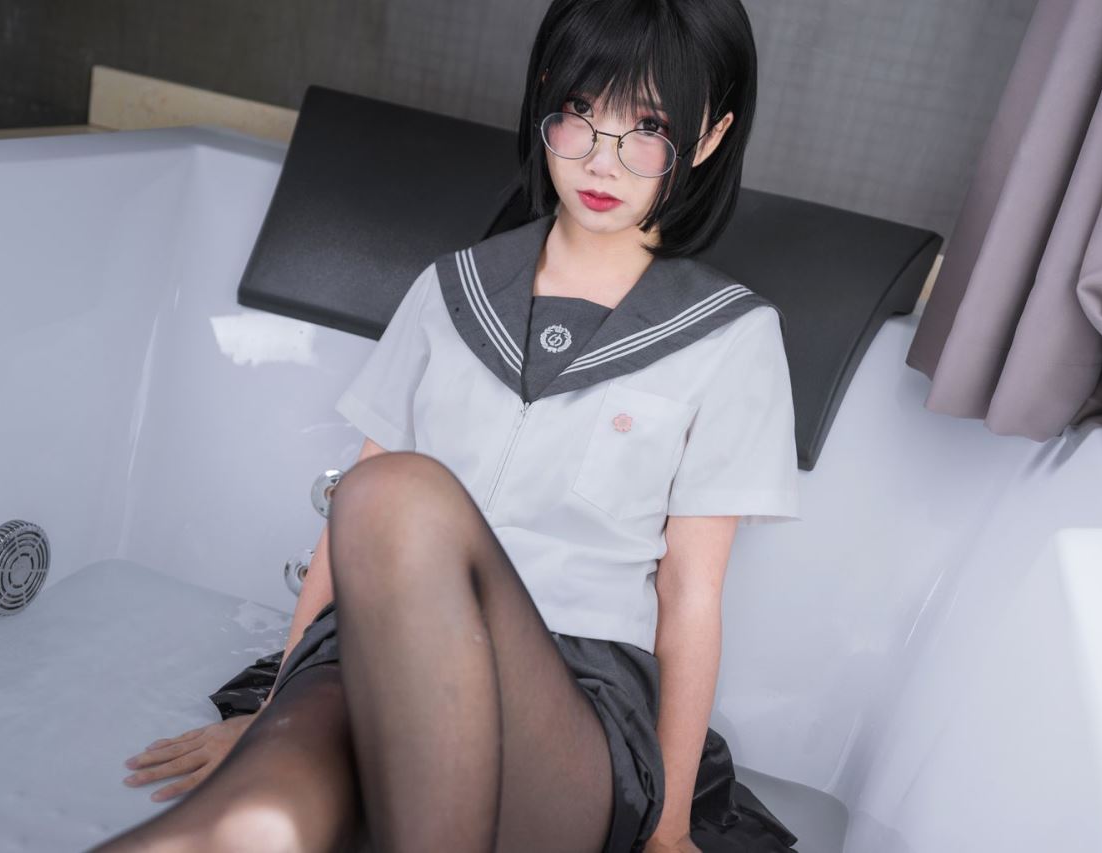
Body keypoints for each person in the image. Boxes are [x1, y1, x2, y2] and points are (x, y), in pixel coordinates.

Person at [97, 1, 801, 851]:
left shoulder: (731, 337)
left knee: (395, 489)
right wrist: (273, 708)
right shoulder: (449, 289)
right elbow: (342, 536)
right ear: (546, 96)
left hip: (569, 700)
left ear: (710, 137)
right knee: (258, 816)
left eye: (647, 128)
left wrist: (670, 832)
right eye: (580, 111)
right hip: (371, 653)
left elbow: (691, 595)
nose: (600, 158)